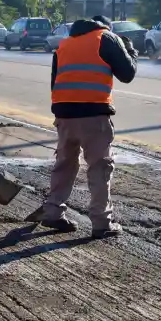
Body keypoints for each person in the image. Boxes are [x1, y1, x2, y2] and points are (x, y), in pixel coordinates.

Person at [32, 14, 138, 239]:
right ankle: (102, 222)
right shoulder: (106, 38)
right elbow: (127, 74)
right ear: (106, 28)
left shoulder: (65, 44)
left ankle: (52, 212)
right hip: (93, 114)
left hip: (64, 113)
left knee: (64, 164)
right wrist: (130, 51)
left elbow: (55, 82)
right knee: (100, 167)